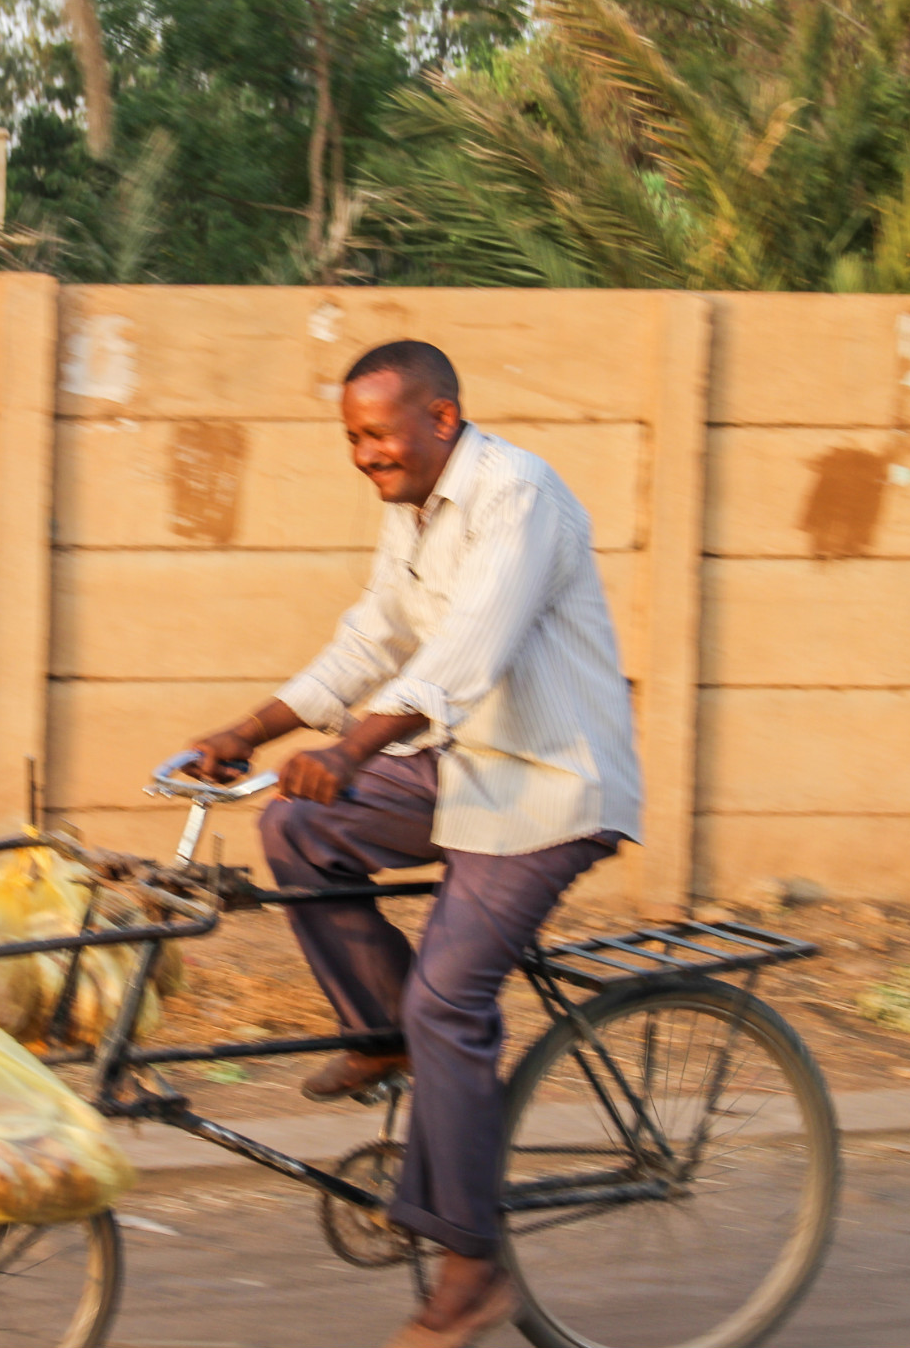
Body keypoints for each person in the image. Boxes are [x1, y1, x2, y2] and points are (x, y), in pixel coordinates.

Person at [186, 340, 641, 1348]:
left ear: (439, 419)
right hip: (459, 768)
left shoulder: (517, 494)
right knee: (294, 825)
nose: (364, 456)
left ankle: (471, 1270)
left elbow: (466, 648)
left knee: (450, 997)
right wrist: (247, 731)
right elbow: (371, 639)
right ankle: (384, 1029)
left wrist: (351, 746)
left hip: (548, 787)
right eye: (350, 437)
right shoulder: (410, 513)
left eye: (378, 434)